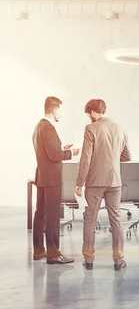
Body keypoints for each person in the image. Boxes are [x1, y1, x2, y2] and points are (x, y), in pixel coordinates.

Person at [75, 99, 131, 271]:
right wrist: (111, 158)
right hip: (114, 181)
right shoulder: (119, 128)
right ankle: (119, 259)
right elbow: (127, 156)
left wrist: (79, 182)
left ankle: (89, 259)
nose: (88, 118)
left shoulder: (91, 129)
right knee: (116, 219)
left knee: (90, 219)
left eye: (88, 114)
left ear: (92, 112)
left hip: (94, 182)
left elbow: (86, 158)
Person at [32, 96, 79, 264]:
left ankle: (39, 251)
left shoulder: (39, 126)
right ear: (53, 111)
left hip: (42, 176)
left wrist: (61, 148)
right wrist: (71, 153)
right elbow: (53, 155)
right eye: (60, 111)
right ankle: (54, 254)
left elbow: (48, 152)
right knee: (52, 216)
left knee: (41, 213)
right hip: (52, 179)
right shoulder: (49, 128)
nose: (61, 114)